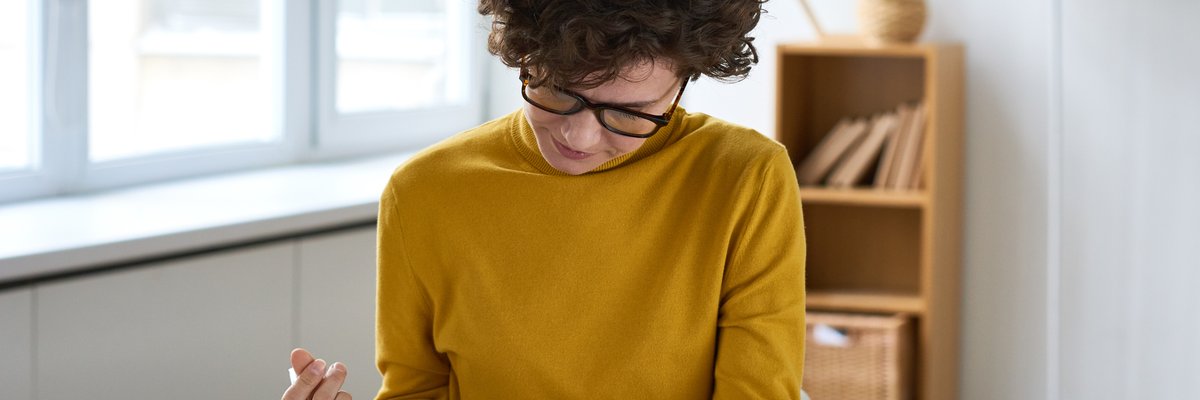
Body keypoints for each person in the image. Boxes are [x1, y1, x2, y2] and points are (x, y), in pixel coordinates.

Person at [282, 0, 805, 399]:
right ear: (524, 55)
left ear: (686, 81)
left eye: (627, 114)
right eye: (557, 91)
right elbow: (419, 390)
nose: (577, 138)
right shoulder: (423, 191)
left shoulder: (745, 177)